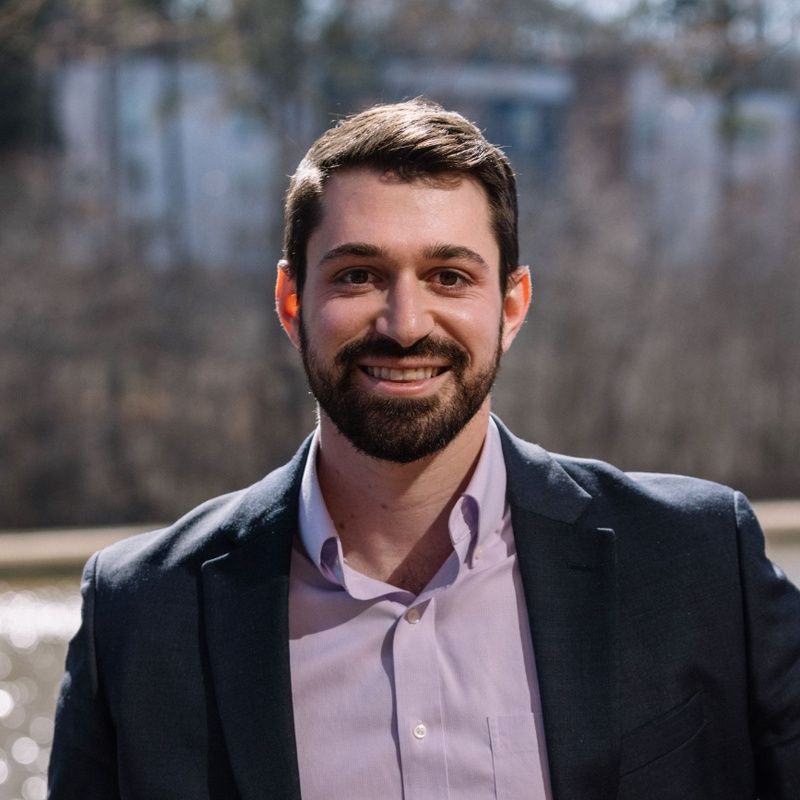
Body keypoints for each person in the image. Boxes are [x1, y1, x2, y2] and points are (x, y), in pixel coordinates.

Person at [49, 99, 800, 800]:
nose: (406, 323)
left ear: (510, 307)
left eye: (448, 276)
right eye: (358, 276)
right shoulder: (142, 616)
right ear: (290, 303)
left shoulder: (698, 562)